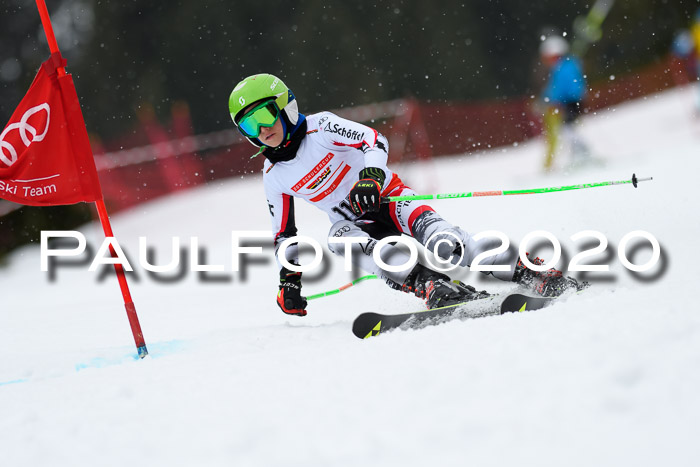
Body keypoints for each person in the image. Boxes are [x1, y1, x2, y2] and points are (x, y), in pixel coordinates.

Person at [228, 74, 586, 316]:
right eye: (248, 125)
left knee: (447, 245)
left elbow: (373, 140)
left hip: (390, 199)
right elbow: (284, 236)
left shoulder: (321, 127)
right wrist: (288, 280)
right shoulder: (274, 176)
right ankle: (429, 285)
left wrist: (369, 178)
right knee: (338, 237)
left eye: (265, 114)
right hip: (356, 225)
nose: (262, 129)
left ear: (285, 106)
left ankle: (528, 271)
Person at [539, 35, 590, 171]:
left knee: (568, 128)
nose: (547, 61)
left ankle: (582, 152)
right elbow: (555, 88)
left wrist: (552, 100)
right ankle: (579, 152)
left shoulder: (564, 67)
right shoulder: (563, 66)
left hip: (571, 102)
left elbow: (561, 88)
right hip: (570, 101)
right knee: (568, 128)